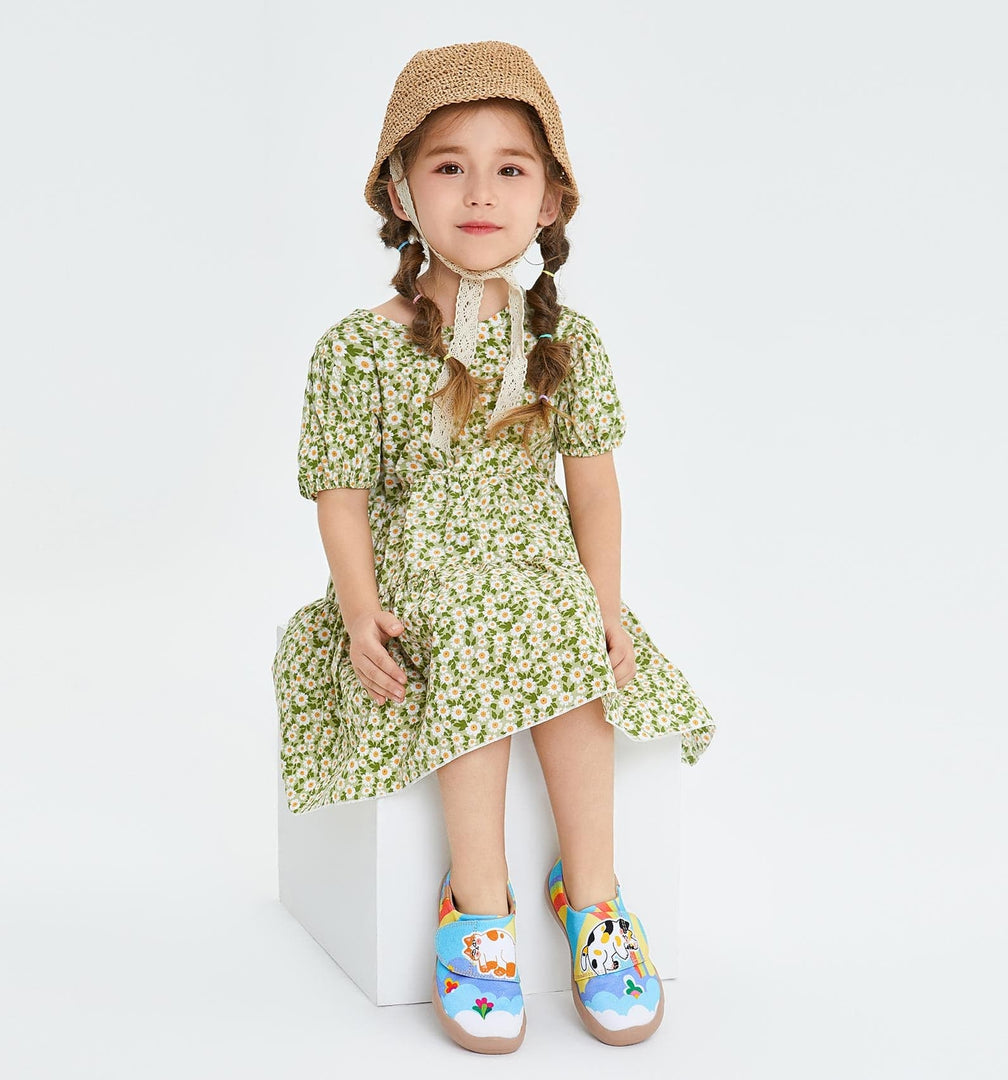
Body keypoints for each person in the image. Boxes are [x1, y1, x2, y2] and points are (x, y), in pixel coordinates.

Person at [271, 40, 716, 1053]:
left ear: (549, 199)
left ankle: (593, 899)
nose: (480, 192)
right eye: (449, 166)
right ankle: (477, 901)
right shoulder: (359, 348)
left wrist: (606, 605)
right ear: (401, 190)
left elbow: (592, 488)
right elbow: (341, 496)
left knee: (566, 631)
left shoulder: (566, 343)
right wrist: (357, 608)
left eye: (510, 168)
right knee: (469, 632)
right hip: (417, 567)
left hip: (536, 564)